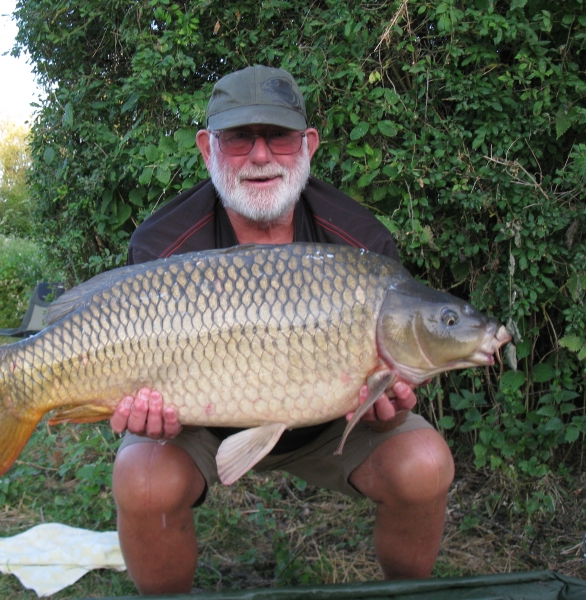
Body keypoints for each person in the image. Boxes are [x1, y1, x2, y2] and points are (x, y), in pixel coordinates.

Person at [109, 65, 454, 595]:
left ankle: (406, 593)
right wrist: (150, 418)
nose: (261, 155)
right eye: (239, 138)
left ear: (308, 144)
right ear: (207, 148)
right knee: (143, 479)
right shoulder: (164, 246)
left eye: (279, 138)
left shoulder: (360, 244)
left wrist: (391, 410)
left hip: (332, 424)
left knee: (425, 464)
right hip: (200, 426)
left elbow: (388, 407)